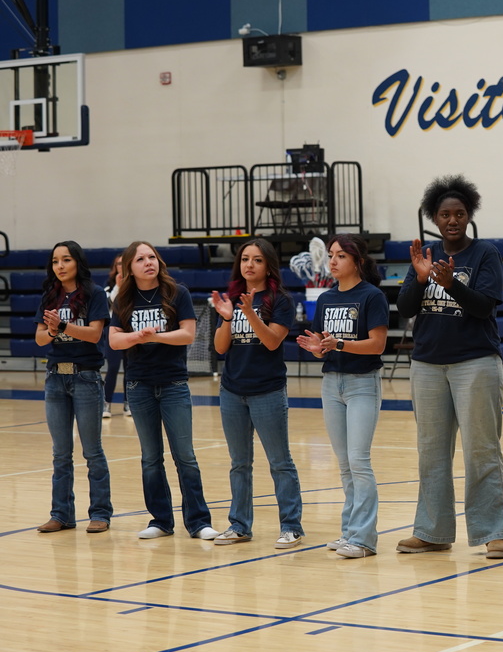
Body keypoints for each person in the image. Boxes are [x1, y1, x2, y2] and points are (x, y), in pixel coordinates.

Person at [395, 174, 503, 559]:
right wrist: (419, 277)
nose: (452, 220)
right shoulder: (424, 255)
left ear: (469, 215)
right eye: (445, 214)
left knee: (481, 450)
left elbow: (484, 305)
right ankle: (432, 531)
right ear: (434, 218)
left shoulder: (484, 254)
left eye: (459, 213)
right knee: (431, 452)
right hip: (428, 365)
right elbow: (407, 309)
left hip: (475, 362)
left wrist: (451, 285)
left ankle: (494, 531)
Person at [109, 241, 219, 541]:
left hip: (173, 385)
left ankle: (198, 522)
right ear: (130, 267)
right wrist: (137, 336)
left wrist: (153, 336)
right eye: (141, 259)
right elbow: (115, 341)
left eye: (152, 257)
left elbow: (187, 334)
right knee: (150, 457)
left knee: (185, 456)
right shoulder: (123, 299)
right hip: (138, 385)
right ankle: (160, 520)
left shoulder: (176, 292)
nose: (148, 262)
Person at [297, 234, 389, 558]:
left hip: (363, 383)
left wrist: (338, 344)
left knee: (359, 461)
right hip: (331, 383)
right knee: (345, 464)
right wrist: (318, 349)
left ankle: (364, 539)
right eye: (331, 255)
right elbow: (326, 346)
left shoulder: (372, 296)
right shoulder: (325, 299)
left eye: (340, 256)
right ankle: (350, 530)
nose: (333, 261)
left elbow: (377, 345)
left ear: (357, 261)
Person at [211, 238, 304, 549]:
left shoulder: (280, 300)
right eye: (245, 259)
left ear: (268, 266)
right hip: (232, 391)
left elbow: (273, 342)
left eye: (257, 260)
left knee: (280, 461)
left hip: (267, 390)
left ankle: (291, 526)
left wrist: (250, 313)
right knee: (239, 463)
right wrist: (227, 317)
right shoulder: (230, 300)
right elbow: (221, 347)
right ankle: (239, 525)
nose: (249, 264)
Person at [34, 241, 113, 534]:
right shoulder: (49, 295)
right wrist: (52, 330)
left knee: (92, 451)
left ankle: (101, 513)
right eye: (55, 261)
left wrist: (62, 327)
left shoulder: (94, 294)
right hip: (55, 378)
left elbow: (94, 334)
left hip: (86, 378)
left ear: (77, 262)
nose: (60, 266)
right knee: (60, 452)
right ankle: (62, 514)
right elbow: (41, 339)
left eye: (66, 259)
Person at [101, 254, 129, 418]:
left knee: (129, 367)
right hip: (113, 330)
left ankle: (128, 402)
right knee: (112, 367)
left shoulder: (135, 284)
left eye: (124, 263)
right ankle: (106, 402)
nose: (121, 266)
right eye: (119, 263)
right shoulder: (108, 286)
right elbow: (108, 305)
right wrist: (118, 286)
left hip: (130, 330)